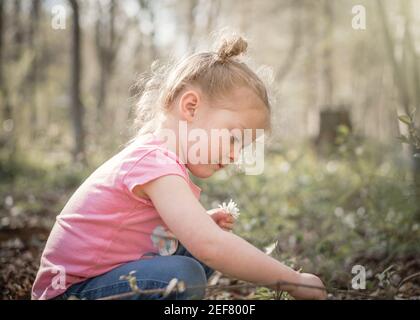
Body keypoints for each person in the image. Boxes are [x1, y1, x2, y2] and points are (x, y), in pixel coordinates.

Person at [32, 34, 327, 300]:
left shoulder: (157, 158)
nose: (237, 155)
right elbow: (210, 246)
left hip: (98, 280)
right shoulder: (154, 162)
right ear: (191, 107)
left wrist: (189, 227)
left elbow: (131, 237)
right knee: (184, 275)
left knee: (193, 255)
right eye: (235, 138)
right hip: (71, 292)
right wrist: (293, 281)